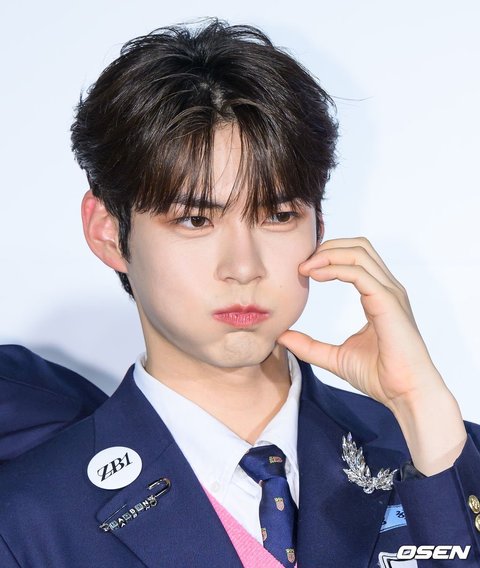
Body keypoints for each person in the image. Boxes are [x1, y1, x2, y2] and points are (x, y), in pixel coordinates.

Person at [0, 18, 479, 568]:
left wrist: (425, 419)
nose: (244, 267)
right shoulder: (30, 521)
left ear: (319, 224)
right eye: (195, 220)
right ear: (109, 232)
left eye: (277, 215)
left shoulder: (445, 450)